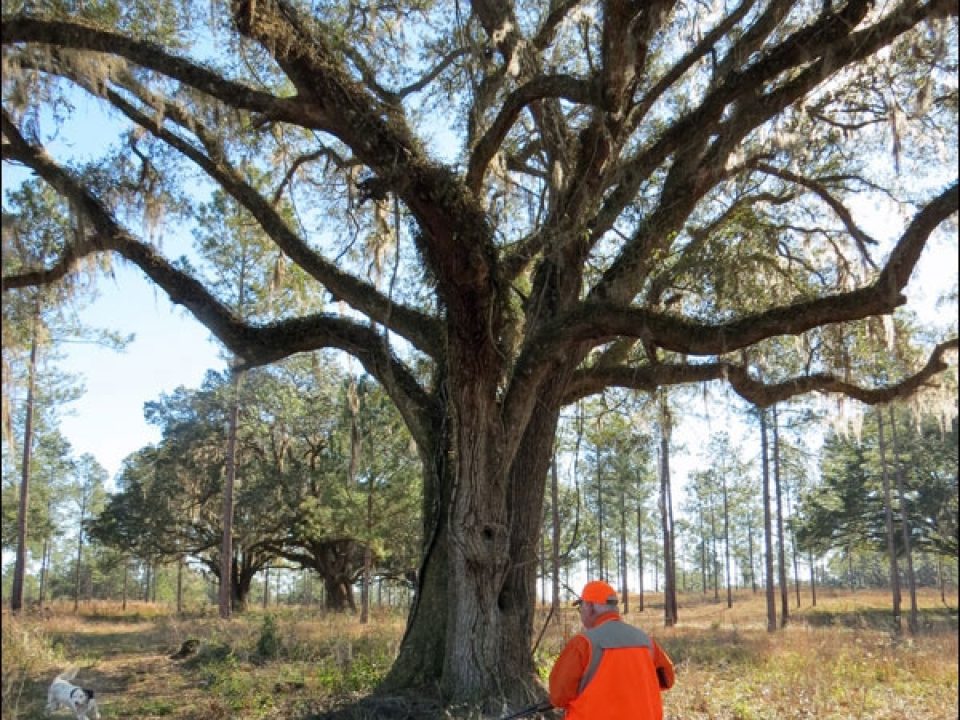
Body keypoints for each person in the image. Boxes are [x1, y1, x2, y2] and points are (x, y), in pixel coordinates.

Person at [548, 580, 674, 719]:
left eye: (581, 607)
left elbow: (558, 696)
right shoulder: (645, 640)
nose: (581, 612)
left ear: (590, 607)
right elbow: (667, 680)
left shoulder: (583, 644)